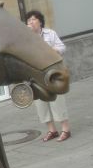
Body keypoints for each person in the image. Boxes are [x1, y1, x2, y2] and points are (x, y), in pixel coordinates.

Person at [26, 10, 72, 142]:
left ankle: (65, 129)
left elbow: (62, 47)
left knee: (57, 100)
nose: (31, 22)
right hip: (36, 74)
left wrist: (51, 49)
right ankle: (52, 130)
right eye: (28, 20)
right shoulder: (26, 38)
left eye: (33, 19)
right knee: (41, 103)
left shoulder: (50, 33)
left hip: (52, 72)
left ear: (40, 21)